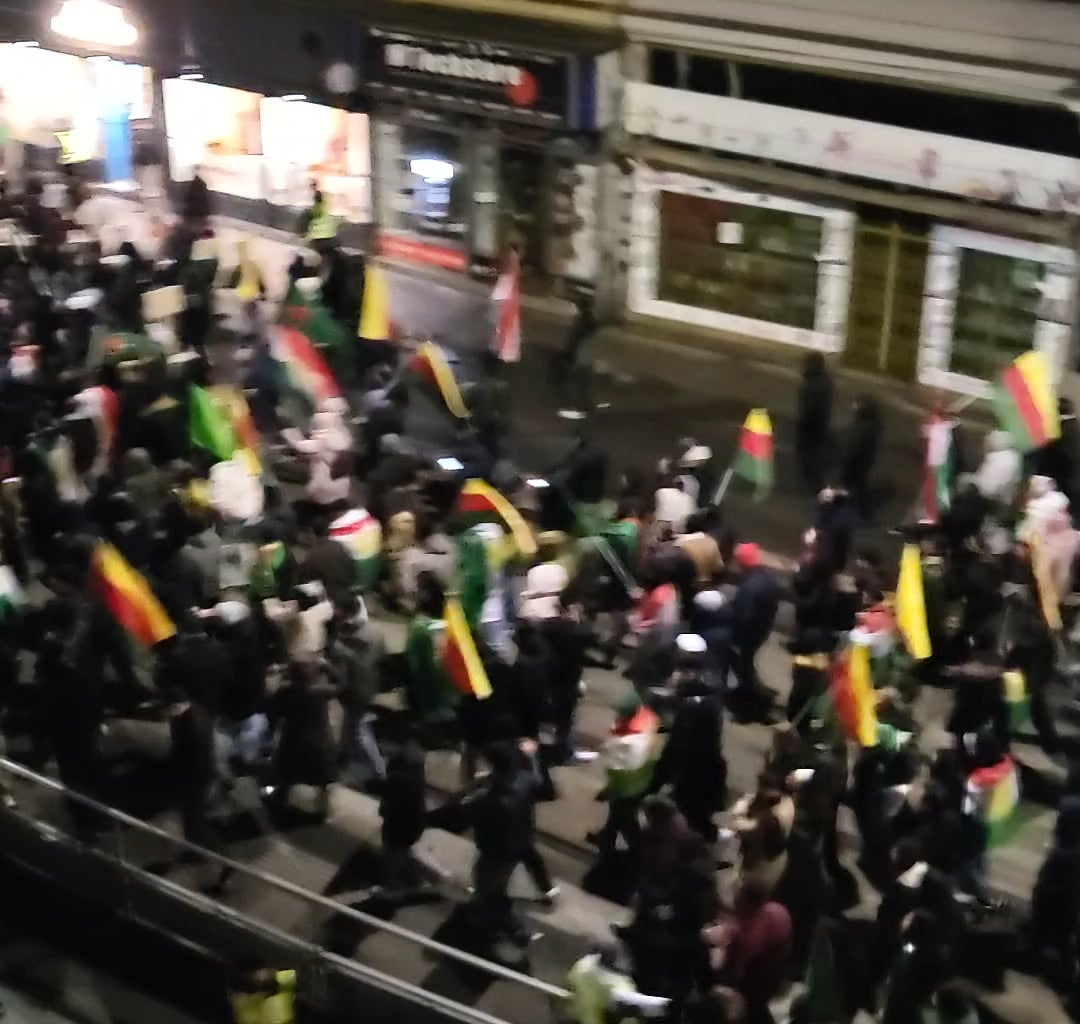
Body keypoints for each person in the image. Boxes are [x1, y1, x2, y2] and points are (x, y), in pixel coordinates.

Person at [709, 877, 792, 1024]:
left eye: (739, 897)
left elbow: (739, 966)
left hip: (754, 983)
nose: (735, 900)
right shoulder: (778, 910)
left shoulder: (752, 933)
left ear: (747, 901)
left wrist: (722, 977)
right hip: (777, 975)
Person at [729, 543, 781, 722]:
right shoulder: (769, 578)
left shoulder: (749, 586)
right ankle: (752, 692)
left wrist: (735, 636)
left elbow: (743, 615)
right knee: (746, 663)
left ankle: (756, 698)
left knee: (743, 665)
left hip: (747, 633)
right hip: (761, 630)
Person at [795, 353, 833, 495]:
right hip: (820, 424)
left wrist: (802, 423)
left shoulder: (811, 384)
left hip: (810, 425)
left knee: (807, 455)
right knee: (814, 454)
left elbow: (808, 408)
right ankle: (813, 481)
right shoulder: (826, 381)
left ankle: (813, 484)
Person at [840, 395, 882, 519]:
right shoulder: (871, 425)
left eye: (857, 405)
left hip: (856, 461)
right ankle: (863, 511)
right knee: (858, 485)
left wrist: (846, 457)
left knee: (853, 485)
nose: (854, 407)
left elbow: (855, 446)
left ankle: (862, 512)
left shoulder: (863, 427)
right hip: (863, 461)